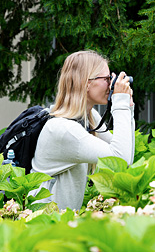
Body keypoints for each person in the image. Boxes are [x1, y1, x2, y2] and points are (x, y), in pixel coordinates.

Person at [31, 50, 135, 210]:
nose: (111, 84)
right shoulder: (64, 129)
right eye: (107, 79)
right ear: (86, 83)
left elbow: (124, 157)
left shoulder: (89, 117)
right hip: (44, 224)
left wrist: (127, 107)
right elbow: (121, 158)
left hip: (62, 223)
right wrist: (119, 103)